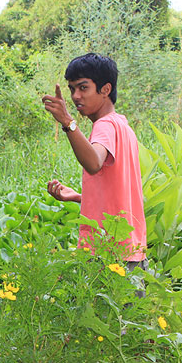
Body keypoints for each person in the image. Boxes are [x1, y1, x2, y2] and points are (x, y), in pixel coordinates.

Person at [41, 53, 147, 273]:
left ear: (105, 90)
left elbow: (93, 163)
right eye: (72, 89)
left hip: (108, 252)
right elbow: (119, 193)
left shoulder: (105, 126)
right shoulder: (122, 126)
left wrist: (68, 123)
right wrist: (80, 197)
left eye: (83, 88)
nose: (76, 96)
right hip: (130, 250)